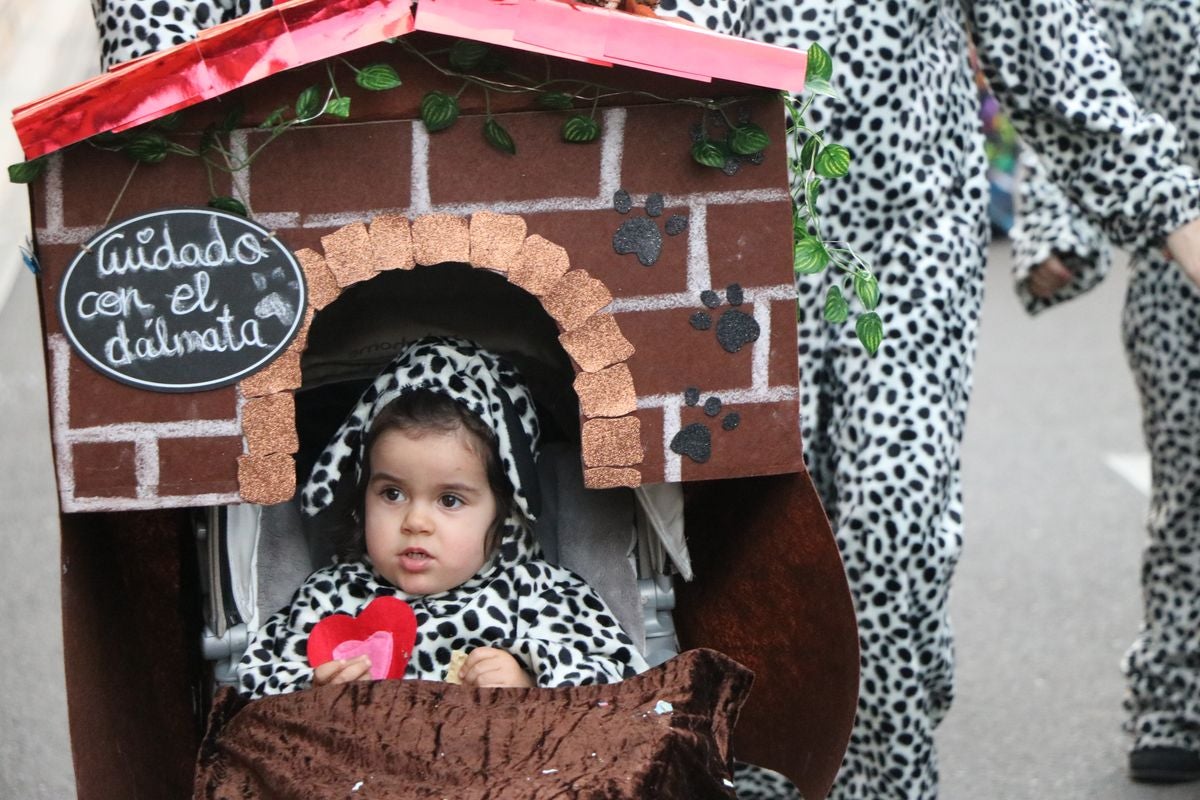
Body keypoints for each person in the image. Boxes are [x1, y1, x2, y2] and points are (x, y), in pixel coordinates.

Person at [654, 0, 1200, 797]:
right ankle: (768, 772)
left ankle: (886, 778)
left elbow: (1057, 69)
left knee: (891, 537)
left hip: (907, 243)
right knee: (758, 547)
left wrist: (1179, 231)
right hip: (741, 226)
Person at [236, 336, 648, 698]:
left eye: (449, 500)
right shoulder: (328, 598)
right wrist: (315, 692)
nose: (416, 521)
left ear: (505, 510)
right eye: (392, 493)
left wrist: (529, 682)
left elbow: (623, 688)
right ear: (362, 494)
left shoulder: (541, 595)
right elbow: (255, 685)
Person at [1010, 0, 1200, 783]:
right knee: (1191, 492)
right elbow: (1076, 82)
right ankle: (1173, 696)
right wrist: (1057, 234)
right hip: (1178, 274)